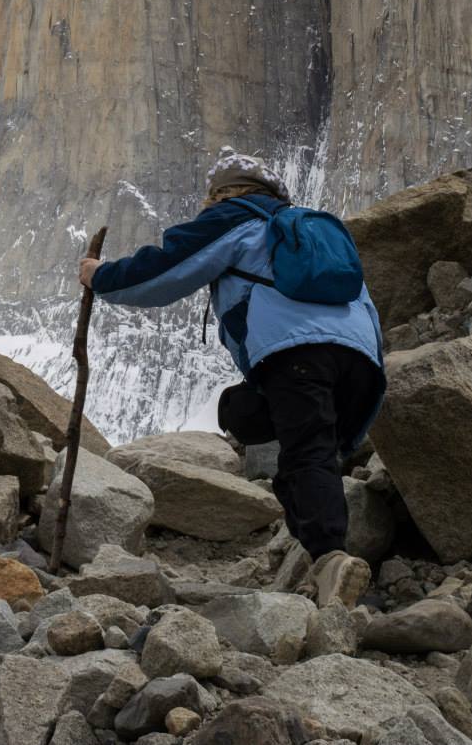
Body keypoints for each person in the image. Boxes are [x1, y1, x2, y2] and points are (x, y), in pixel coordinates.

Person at [77, 151, 386, 607]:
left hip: (298, 352)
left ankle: (332, 562)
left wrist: (100, 276)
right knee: (285, 441)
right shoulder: (312, 228)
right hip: (361, 355)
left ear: (222, 194)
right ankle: (316, 564)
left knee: (306, 455)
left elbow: (165, 270)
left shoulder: (235, 219)